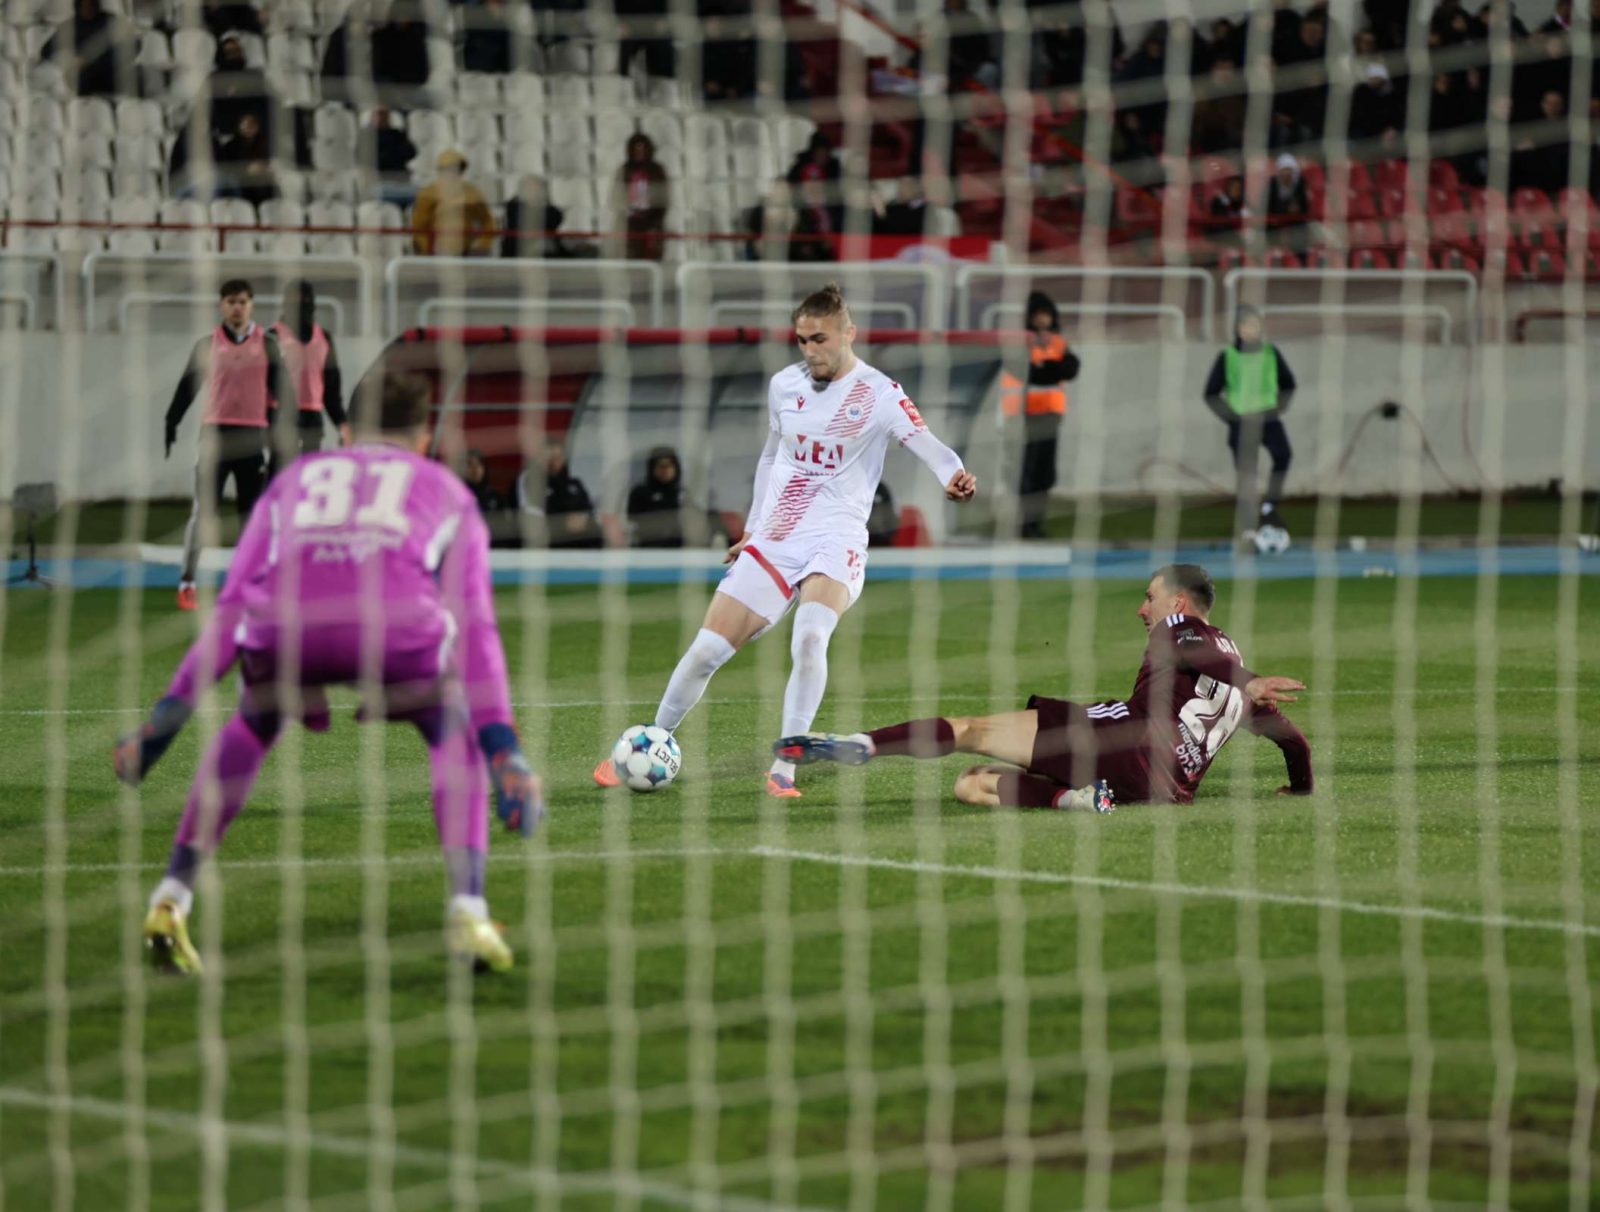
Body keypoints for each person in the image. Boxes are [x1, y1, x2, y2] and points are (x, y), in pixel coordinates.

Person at [114, 371, 543, 977]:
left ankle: (171, 898)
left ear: (345, 431)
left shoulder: (294, 480)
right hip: (398, 634)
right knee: (451, 726)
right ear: (424, 436)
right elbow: (476, 629)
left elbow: (233, 605)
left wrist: (166, 718)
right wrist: (503, 746)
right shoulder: (446, 490)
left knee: (255, 719)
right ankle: (469, 908)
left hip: (289, 630)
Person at [593, 283, 977, 797]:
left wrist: (954, 477)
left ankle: (785, 766)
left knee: (811, 637)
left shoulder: (880, 394)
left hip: (836, 537)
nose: (810, 350)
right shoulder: (784, 386)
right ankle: (650, 741)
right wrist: (753, 527)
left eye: (819, 339)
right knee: (706, 650)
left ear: (848, 333)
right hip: (778, 535)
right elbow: (772, 457)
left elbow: (929, 445)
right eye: (801, 341)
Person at [776, 564, 1312, 810]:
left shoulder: (1184, 631)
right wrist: (1300, 787)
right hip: (1164, 792)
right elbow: (1295, 743)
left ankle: (864, 744)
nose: (1141, 608)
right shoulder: (1238, 686)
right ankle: (1074, 801)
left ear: (1177, 604)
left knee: (971, 729)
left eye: (1150, 597)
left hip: (1125, 743)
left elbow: (1203, 651)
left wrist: (1250, 677)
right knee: (971, 784)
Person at [164, 279, 298, 612]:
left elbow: (285, 392)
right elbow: (187, 388)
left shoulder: (267, 345)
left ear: (251, 305)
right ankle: (187, 582)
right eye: (230, 302)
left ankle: (247, 583)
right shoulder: (208, 344)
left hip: (253, 437)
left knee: (250, 516)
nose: (237, 307)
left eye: (242, 302)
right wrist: (172, 420)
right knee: (204, 512)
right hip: (214, 435)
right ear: (221, 306)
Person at [1203, 306, 1297, 548]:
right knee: (1247, 474)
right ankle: (1247, 530)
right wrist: (1231, 417)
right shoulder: (1228, 357)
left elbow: (1288, 384)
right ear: (1238, 329)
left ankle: (1269, 505)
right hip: (1241, 422)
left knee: (1283, 455)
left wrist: (1279, 407)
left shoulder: (1270, 353)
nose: (1250, 330)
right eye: (1246, 326)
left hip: (1268, 418)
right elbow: (1211, 393)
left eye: (1254, 325)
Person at [999, 292, 1079, 540]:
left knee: (1045, 474)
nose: (1042, 320)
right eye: (1037, 315)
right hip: (1022, 416)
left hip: (1050, 416)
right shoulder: (1021, 342)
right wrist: (1050, 369)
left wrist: (1046, 369)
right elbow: (1027, 371)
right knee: (1025, 472)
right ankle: (1022, 524)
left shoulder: (1058, 342)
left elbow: (1070, 368)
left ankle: (1035, 524)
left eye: (1045, 315)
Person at [269, 280, 350, 465]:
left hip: (312, 419)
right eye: (294, 298)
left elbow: (331, 391)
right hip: (281, 416)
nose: (300, 303)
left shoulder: (324, 339)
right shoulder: (272, 337)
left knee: (308, 476)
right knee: (280, 474)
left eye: (305, 299)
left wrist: (343, 426)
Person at [412, 149, 496, 256]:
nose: (452, 173)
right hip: (438, 250)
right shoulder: (428, 193)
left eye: (457, 169)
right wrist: (428, 249)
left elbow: (487, 221)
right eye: (447, 169)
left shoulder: (472, 192)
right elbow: (419, 227)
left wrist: (483, 245)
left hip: (467, 250)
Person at [609, 133, 670, 261]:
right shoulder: (624, 170)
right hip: (630, 223)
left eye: (642, 149)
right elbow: (616, 196)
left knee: (652, 259)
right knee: (632, 259)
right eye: (636, 149)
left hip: (652, 222)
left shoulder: (657, 170)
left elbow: (663, 197)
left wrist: (654, 219)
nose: (639, 153)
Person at [535, 444, 602, 548]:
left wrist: (584, 521)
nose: (554, 461)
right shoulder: (535, 487)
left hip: (584, 544)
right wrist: (564, 523)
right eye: (551, 457)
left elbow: (588, 510)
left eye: (559, 457)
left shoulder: (575, 484)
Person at [626, 446, 694, 548]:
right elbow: (633, 519)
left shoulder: (683, 493)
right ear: (652, 468)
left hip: (678, 550)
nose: (665, 470)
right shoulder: (640, 492)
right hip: (647, 548)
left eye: (669, 465)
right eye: (661, 466)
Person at [357, 106, 419, 208]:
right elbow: (368, 159)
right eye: (378, 114)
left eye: (385, 115)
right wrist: (395, 154)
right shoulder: (366, 136)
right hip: (378, 181)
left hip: (399, 180)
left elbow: (412, 152)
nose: (382, 118)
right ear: (372, 117)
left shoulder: (397, 134)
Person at [501, 175, 566, 259]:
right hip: (517, 251)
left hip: (545, 252)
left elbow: (553, 221)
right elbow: (519, 223)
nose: (533, 191)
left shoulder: (552, 211)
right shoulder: (512, 207)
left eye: (536, 189)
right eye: (529, 188)